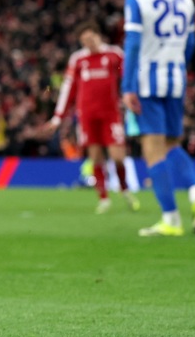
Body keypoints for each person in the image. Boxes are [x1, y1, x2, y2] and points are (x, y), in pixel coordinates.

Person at [120, 0, 195, 237]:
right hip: (175, 78)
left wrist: (127, 86)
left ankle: (171, 219)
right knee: (172, 143)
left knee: (153, 149)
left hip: (147, 80)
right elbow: (192, 43)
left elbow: (132, 43)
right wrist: (178, 65)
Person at [49, 26, 139, 215]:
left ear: (99, 36)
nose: (88, 43)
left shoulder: (115, 55)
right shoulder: (78, 60)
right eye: (84, 41)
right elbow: (68, 88)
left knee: (117, 157)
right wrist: (58, 117)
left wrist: (133, 97)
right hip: (87, 116)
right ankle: (104, 198)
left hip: (111, 115)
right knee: (96, 157)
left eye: (91, 38)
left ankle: (124, 189)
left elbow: (128, 75)